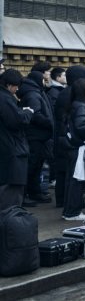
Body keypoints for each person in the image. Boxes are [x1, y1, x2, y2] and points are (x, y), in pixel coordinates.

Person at [62, 78, 85, 221]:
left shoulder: (74, 104)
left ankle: (70, 210)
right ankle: (73, 212)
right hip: (80, 146)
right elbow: (82, 127)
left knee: (72, 179)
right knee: (77, 180)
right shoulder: (83, 105)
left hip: (73, 145)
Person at [18, 70, 55, 206]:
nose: (45, 81)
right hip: (35, 136)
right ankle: (26, 194)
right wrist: (50, 123)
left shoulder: (36, 92)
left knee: (37, 166)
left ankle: (34, 192)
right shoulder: (33, 94)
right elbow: (35, 114)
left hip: (39, 136)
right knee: (32, 166)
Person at [0, 69, 34, 211]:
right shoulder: (5, 98)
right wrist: (27, 112)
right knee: (11, 198)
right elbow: (16, 121)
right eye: (16, 86)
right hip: (11, 150)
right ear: (9, 85)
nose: (17, 89)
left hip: (6, 148)